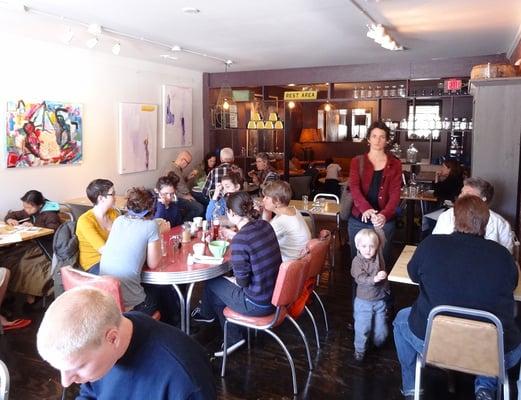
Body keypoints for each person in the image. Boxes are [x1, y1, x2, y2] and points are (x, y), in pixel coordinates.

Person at [393, 196, 521, 400]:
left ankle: (410, 388)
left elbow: (413, 275)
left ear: (454, 219)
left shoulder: (430, 245)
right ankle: (485, 386)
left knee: (401, 320)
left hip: (434, 342)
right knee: (498, 329)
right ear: (486, 223)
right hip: (495, 351)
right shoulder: (503, 255)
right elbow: (512, 285)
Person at [37, 286, 216, 399]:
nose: (65, 382)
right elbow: (90, 394)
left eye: (78, 367)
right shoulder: (98, 345)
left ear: (112, 338)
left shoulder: (185, 379)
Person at [192, 192, 282, 357]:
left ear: (231, 213)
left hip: (258, 304)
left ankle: (212, 319)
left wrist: (232, 279)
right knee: (221, 286)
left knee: (213, 282)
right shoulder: (265, 225)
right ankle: (221, 325)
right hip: (276, 296)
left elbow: (242, 282)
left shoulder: (241, 240)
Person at [100, 188, 162, 315]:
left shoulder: (119, 220)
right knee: (161, 293)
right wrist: (160, 235)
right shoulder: (151, 226)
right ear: (151, 208)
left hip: (108, 299)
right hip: (130, 305)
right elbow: (153, 264)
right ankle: (174, 326)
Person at [348, 121, 402, 266]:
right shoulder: (357, 161)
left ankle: (382, 290)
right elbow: (354, 187)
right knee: (358, 264)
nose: (378, 140)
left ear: (387, 140)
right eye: (374, 136)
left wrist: (384, 214)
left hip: (384, 222)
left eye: (382, 137)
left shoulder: (395, 163)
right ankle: (358, 290)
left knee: (382, 263)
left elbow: (395, 193)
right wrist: (365, 208)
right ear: (368, 139)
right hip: (359, 220)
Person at [2, 190, 61, 301]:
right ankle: (8, 291)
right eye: (24, 207)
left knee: (24, 263)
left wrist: (34, 226)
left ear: (39, 205)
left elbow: (54, 232)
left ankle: (31, 293)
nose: (26, 210)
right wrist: (10, 219)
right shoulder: (30, 210)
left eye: (29, 208)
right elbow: (13, 214)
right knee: (7, 256)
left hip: (45, 246)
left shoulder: (50, 214)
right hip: (32, 243)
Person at [432, 177, 514, 253]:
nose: (461, 197)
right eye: (461, 192)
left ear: (483, 200)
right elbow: (436, 244)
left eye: (467, 194)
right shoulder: (447, 216)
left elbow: (507, 254)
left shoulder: (499, 223)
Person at [350, 229, 389, 361]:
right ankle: (359, 350)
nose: (368, 250)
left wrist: (378, 225)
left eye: (371, 246)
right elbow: (360, 278)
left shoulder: (378, 255)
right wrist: (375, 279)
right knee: (362, 328)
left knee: (382, 332)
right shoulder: (357, 261)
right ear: (358, 246)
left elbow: (381, 238)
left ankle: (377, 342)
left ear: (377, 247)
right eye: (364, 246)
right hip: (363, 302)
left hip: (380, 300)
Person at [76, 179, 119, 274]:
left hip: (113, 258)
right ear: (101, 198)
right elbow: (104, 250)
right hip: (94, 263)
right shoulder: (85, 221)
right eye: (113, 194)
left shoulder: (113, 213)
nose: (116, 197)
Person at [261, 180, 311, 262]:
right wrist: (266, 212)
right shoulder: (292, 210)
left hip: (288, 263)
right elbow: (267, 229)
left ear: (277, 201)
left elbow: (261, 240)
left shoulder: (282, 221)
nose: (263, 200)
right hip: (300, 260)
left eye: (267, 197)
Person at [169, 150, 205, 221]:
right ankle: (184, 223)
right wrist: (184, 196)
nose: (187, 165)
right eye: (188, 163)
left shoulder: (176, 168)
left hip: (182, 195)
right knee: (199, 208)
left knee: (199, 199)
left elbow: (178, 183)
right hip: (176, 197)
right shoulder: (172, 171)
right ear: (183, 160)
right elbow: (170, 190)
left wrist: (187, 178)